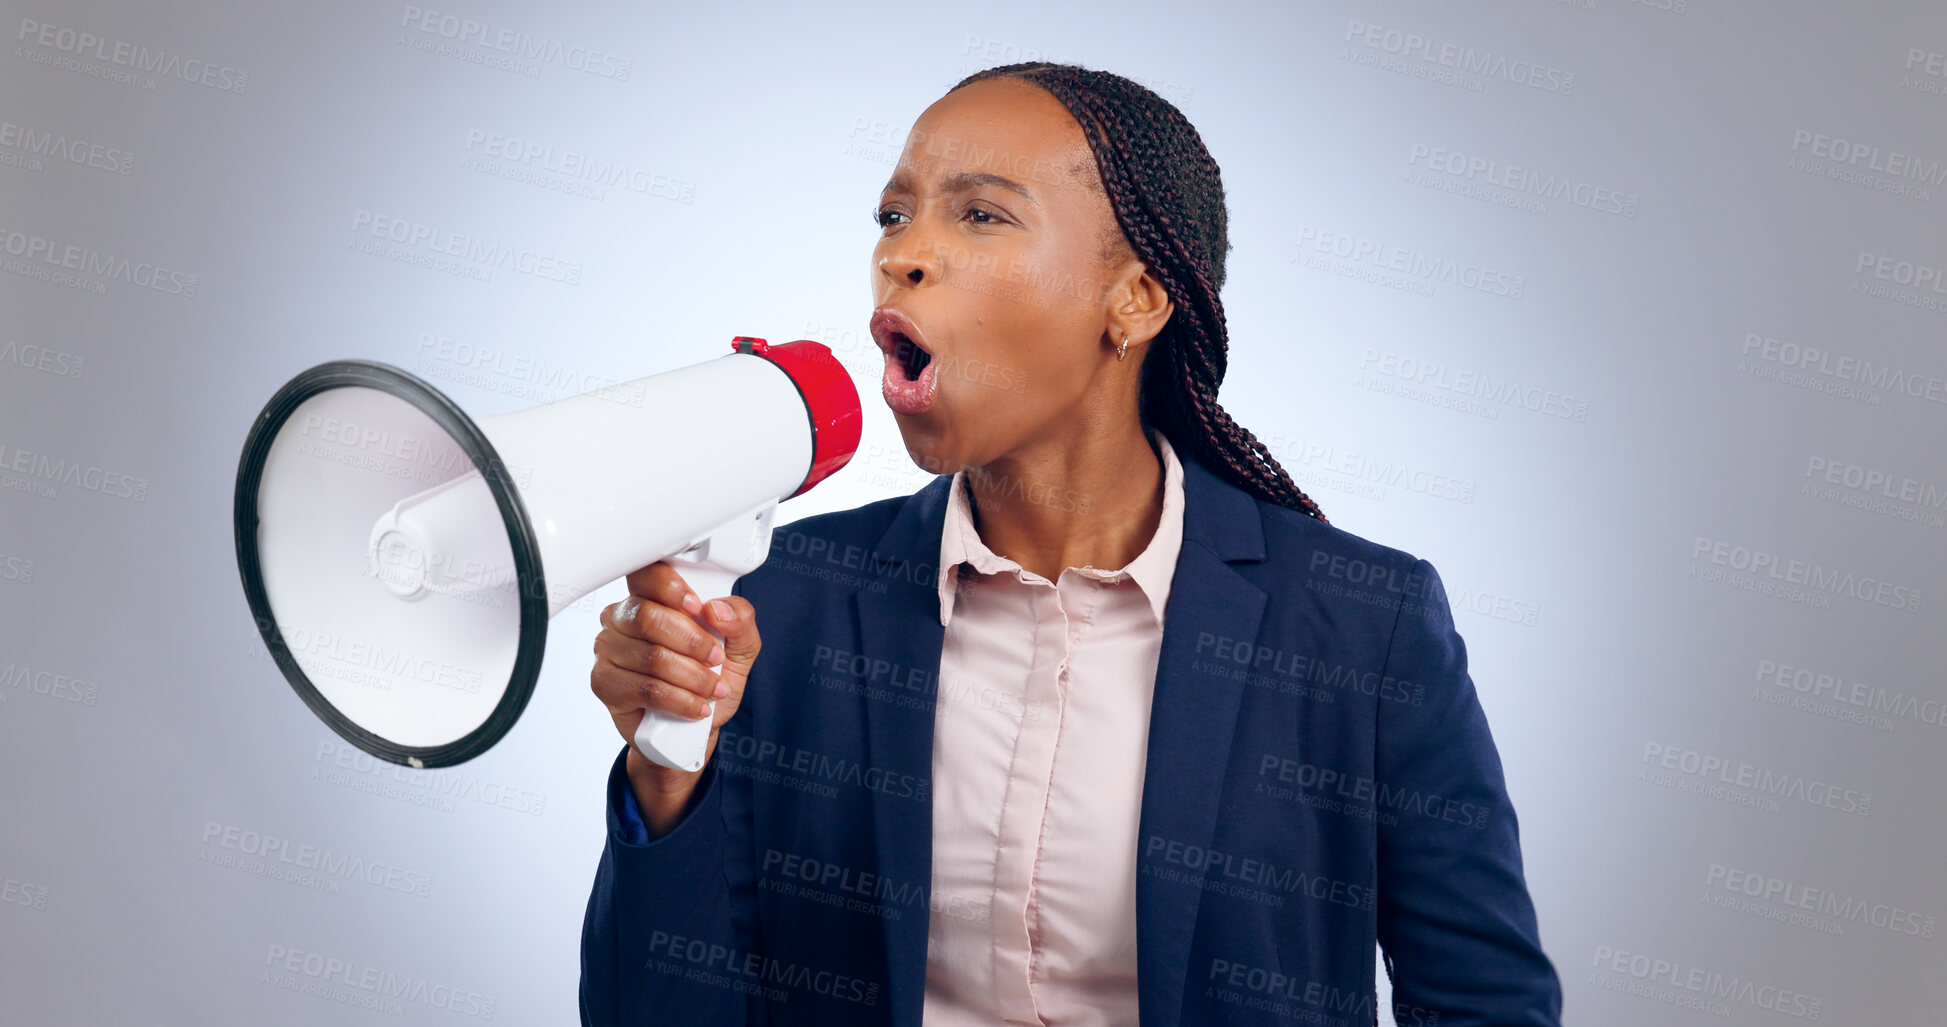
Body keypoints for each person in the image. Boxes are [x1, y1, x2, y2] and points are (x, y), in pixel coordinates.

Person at [582, 62, 1562, 1027]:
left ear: (1134, 299)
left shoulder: (1362, 627)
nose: (904, 253)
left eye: (980, 214)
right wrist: (671, 771)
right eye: (894, 215)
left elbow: (1485, 1001)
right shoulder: (781, 605)